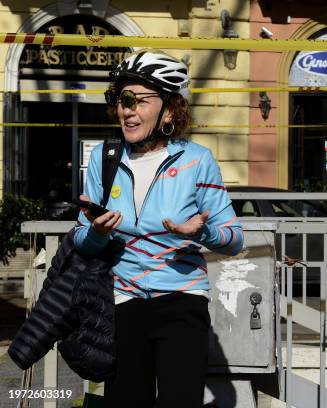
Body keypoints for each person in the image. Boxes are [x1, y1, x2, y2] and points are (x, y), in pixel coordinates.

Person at [74, 49, 243, 408]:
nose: (127, 109)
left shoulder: (197, 160)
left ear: (169, 108)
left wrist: (200, 234)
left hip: (181, 302)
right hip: (121, 303)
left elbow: (234, 238)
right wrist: (96, 233)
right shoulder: (103, 159)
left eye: (137, 100)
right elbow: (81, 241)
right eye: (121, 99)